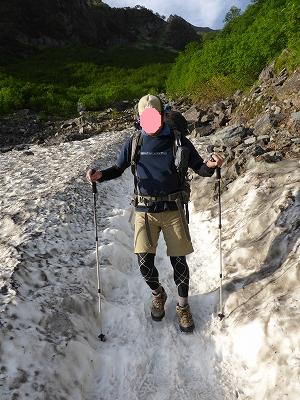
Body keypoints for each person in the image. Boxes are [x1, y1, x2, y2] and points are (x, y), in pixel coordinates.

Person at [86, 94, 224, 333]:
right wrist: (99, 175)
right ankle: (158, 293)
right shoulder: (135, 142)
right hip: (144, 210)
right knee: (144, 263)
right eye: (145, 117)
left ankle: (182, 307)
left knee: (178, 261)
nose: (150, 121)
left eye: (154, 116)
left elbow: (200, 168)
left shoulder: (178, 141)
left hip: (172, 209)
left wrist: (212, 166)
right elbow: (118, 168)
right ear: (140, 119)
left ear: (162, 115)